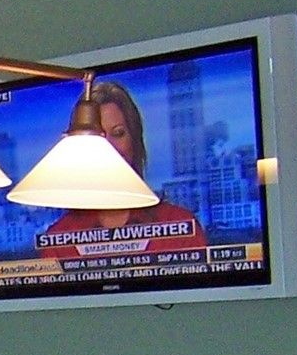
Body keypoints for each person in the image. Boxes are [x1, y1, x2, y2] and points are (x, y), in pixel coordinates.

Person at [36, 80, 206, 258]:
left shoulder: (181, 227)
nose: (109, 147)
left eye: (118, 133)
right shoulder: (59, 239)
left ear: (135, 140)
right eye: (98, 137)